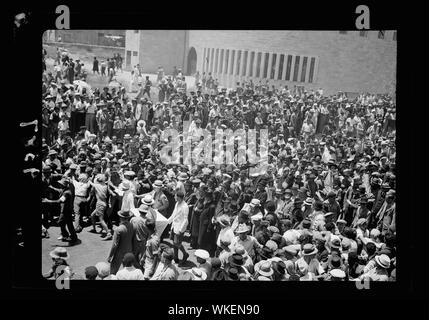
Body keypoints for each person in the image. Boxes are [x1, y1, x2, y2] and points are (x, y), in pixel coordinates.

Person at [42, 177, 79, 244]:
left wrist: (48, 201)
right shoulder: (64, 190)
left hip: (66, 211)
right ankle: (65, 235)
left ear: (63, 185)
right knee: (61, 222)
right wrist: (52, 188)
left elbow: (59, 201)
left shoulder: (67, 193)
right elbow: (58, 190)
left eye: (60, 184)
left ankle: (73, 237)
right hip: (64, 210)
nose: (59, 185)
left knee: (68, 224)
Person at [108, 210, 135, 275]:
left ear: (120, 217)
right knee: (127, 270)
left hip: (119, 253)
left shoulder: (118, 229)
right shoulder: (132, 225)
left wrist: (110, 256)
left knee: (113, 272)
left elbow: (115, 245)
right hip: (129, 250)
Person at [167, 191, 190, 264]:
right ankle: (176, 258)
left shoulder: (185, 206)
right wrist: (167, 221)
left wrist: (181, 229)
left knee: (177, 243)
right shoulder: (177, 203)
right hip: (174, 226)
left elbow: (185, 219)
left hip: (179, 227)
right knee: (174, 243)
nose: (174, 197)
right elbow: (174, 214)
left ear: (179, 197)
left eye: (175, 196)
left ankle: (185, 254)